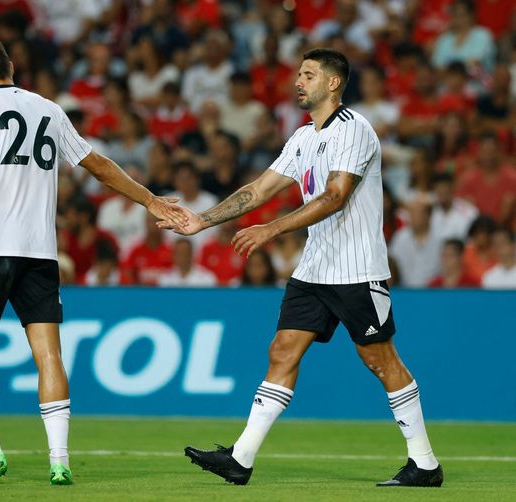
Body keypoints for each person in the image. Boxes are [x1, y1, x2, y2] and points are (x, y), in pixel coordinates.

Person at [161, 48, 443, 487]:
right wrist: (202, 220)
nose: (298, 81)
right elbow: (258, 190)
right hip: (314, 270)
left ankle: (424, 463)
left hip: (355, 270)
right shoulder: (302, 137)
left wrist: (272, 230)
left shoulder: (355, 130)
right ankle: (241, 458)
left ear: (333, 83)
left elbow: (335, 196)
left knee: (381, 362)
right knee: (282, 351)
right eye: (297, 74)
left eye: (308, 75)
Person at [0, 40, 186, 486]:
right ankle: (59, 460)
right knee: (49, 354)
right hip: (41, 251)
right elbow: (99, 166)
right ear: (12, 66)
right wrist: (150, 200)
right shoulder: (51, 110)